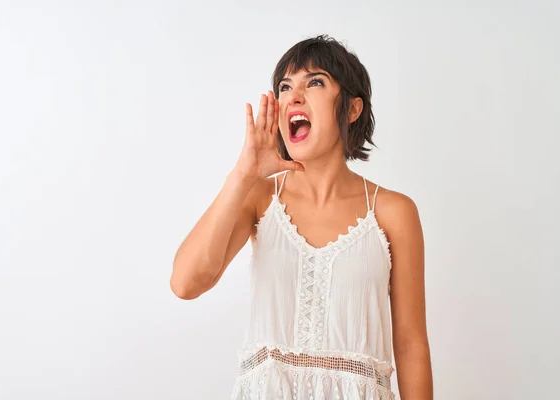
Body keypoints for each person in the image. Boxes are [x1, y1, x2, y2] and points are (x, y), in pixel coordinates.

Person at [170, 34, 433, 399]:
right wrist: (243, 175)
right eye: (285, 86)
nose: (293, 95)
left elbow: (410, 344)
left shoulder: (392, 212)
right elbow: (186, 283)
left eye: (316, 82)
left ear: (353, 109)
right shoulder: (259, 198)